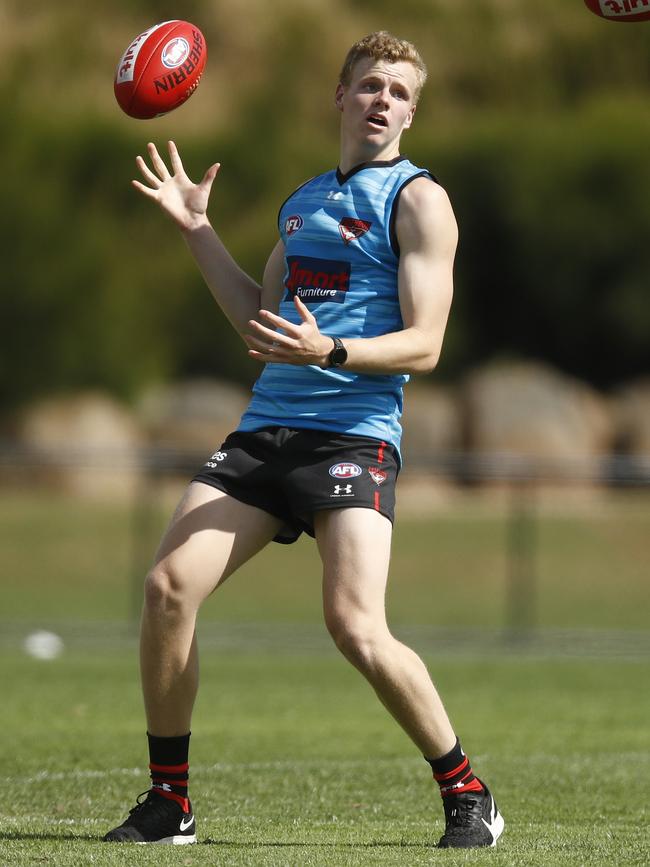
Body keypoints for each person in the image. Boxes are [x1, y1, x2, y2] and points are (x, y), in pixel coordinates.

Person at [103, 31, 504, 849]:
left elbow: (427, 343)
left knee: (356, 625)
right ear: (341, 96)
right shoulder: (305, 201)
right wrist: (195, 230)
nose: (381, 99)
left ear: (412, 111)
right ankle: (169, 802)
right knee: (167, 588)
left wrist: (334, 351)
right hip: (267, 428)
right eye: (367, 85)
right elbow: (261, 322)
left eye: (397, 90)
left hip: (355, 432)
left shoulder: (420, 200)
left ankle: (468, 792)